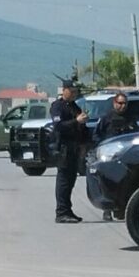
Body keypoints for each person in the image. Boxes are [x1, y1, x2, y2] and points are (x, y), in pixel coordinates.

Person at [93, 92, 138, 221]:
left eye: (124, 103)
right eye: (120, 103)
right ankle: (107, 210)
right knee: (107, 183)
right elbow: (96, 136)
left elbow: (135, 136)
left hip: (125, 156)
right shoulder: (106, 118)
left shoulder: (131, 118)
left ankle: (122, 210)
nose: (122, 106)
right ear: (114, 103)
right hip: (109, 156)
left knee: (126, 182)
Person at [51, 80, 88, 223]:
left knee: (71, 180)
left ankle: (68, 210)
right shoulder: (57, 106)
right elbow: (58, 126)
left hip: (75, 148)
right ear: (64, 90)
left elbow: (80, 125)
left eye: (75, 91)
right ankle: (61, 212)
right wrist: (76, 121)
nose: (74, 93)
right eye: (71, 91)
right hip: (64, 149)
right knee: (64, 181)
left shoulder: (74, 106)